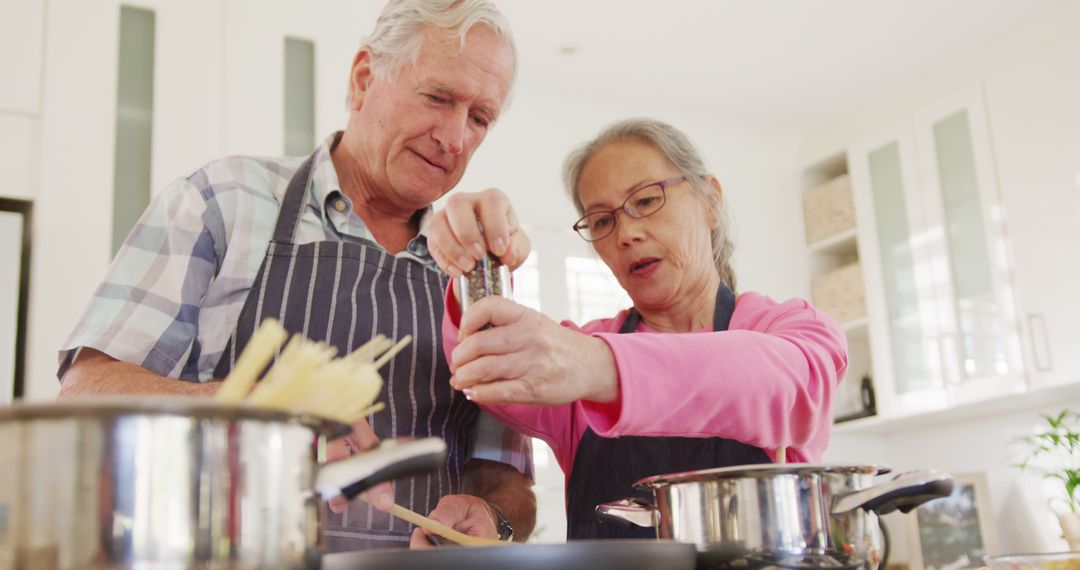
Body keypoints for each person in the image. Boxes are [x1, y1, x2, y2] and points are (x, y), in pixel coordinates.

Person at [57, 0, 536, 551]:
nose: (455, 139)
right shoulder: (224, 203)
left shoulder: (476, 273)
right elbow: (85, 396)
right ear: (363, 78)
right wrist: (247, 411)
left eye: (479, 118)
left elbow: (508, 480)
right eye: (438, 97)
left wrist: (492, 516)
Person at [426, 117, 848, 540]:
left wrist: (597, 367)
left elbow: (776, 381)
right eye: (603, 222)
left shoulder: (792, 330)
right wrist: (481, 258)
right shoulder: (575, 351)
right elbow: (489, 362)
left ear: (711, 203)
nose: (626, 233)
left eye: (646, 201)